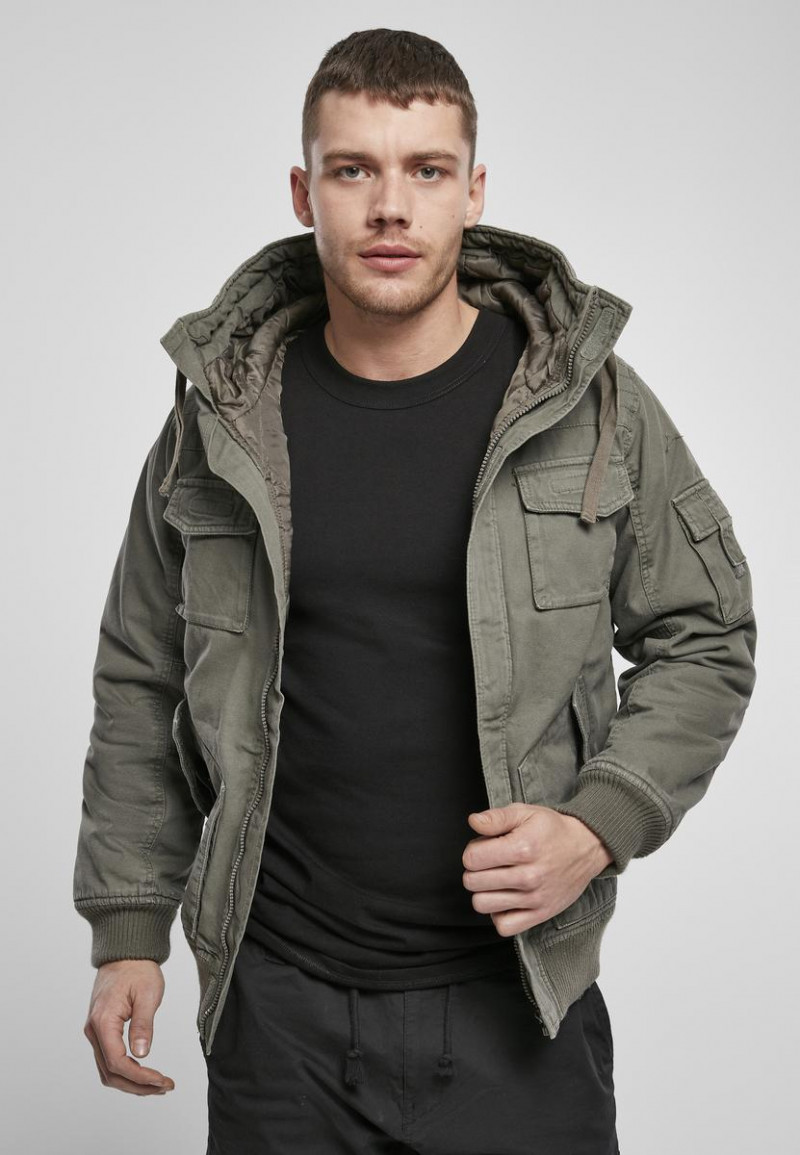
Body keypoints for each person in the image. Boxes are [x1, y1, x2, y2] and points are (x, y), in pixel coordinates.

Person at [73, 26, 757, 1155]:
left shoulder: (591, 406)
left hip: (518, 1007)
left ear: (472, 192)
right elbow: (142, 676)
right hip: (279, 1018)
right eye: (354, 170)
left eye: (426, 170)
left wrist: (599, 823)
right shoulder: (221, 420)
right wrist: (128, 929)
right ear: (305, 193)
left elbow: (706, 634)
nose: (390, 207)